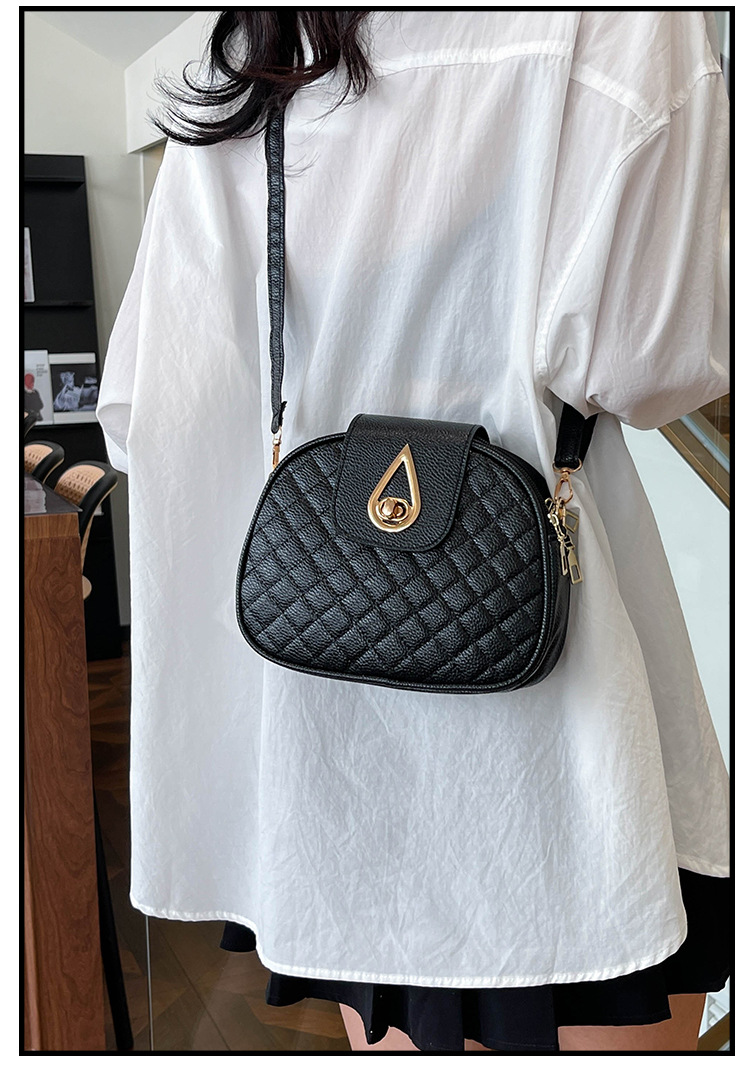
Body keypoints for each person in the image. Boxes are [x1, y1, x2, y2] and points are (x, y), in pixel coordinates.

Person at [97, 10, 730, 1053]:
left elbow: (143, 408)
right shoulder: (629, 23)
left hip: (330, 739)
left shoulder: (262, 45)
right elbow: (653, 365)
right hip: (556, 742)